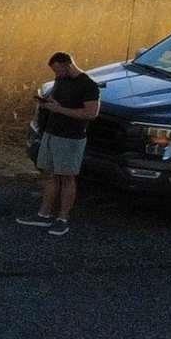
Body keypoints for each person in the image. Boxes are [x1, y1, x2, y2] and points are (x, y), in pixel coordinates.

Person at [22, 51, 101, 236]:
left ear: (68, 65)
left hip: (70, 138)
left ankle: (63, 218)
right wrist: (49, 104)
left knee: (67, 177)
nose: (56, 75)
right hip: (51, 133)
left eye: (58, 70)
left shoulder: (88, 85)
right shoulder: (61, 80)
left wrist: (60, 109)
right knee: (50, 174)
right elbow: (59, 102)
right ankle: (44, 214)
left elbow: (91, 113)